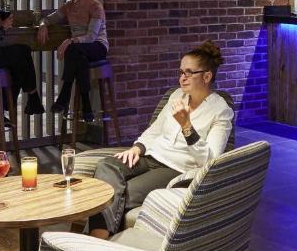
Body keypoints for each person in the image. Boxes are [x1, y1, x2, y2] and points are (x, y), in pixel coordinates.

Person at [91, 40, 234, 234]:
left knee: (122, 191)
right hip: (151, 156)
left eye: (189, 73)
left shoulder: (220, 111)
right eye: (181, 72)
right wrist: (137, 148)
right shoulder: (176, 96)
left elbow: (210, 160)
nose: (182, 78)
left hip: (176, 168)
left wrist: (186, 126)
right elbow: (155, 130)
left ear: (207, 76)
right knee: (106, 166)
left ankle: (96, 239)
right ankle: (98, 238)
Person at [37, 0, 109, 122]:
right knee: (79, 57)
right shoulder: (69, 6)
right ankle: (86, 106)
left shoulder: (95, 6)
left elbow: (91, 37)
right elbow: (49, 18)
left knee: (73, 49)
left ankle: (64, 95)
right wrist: (43, 25)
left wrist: (70, 41)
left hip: (97, 47)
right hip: (78, 50)